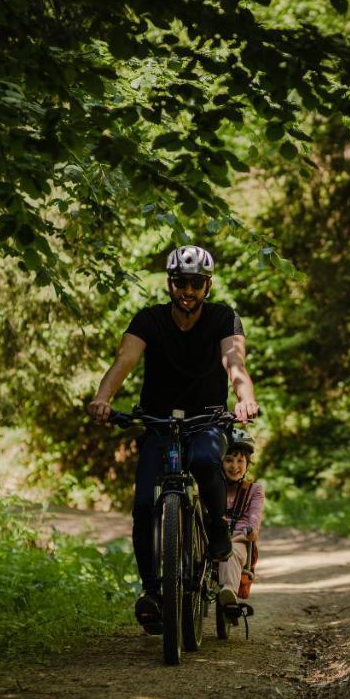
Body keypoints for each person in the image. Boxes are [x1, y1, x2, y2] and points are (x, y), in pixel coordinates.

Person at [85, 245, 260, 633]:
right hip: (158, 424)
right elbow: (124, 360)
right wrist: (103, 398)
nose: (188, 290)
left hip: (207, 421)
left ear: (207, 286)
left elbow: (235, 363)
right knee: (144, 503)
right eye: (182, 282)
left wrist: (245, 399)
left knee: (202, 461)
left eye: (196, 283)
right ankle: (151, 592)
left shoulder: (223, 318)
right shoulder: (149, 319)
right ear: (170, 283)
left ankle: (216, 526)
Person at [218, 428, 265, 614]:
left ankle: (229, 591)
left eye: (240, 461)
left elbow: (254, 516)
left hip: (237, 540)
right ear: (220, 462)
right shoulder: (212, 487)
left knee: (231, 549)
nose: (234, 466)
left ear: (247, 464)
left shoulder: (254, 490)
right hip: (210, 538)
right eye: (228, 460)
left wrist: (251, 530)